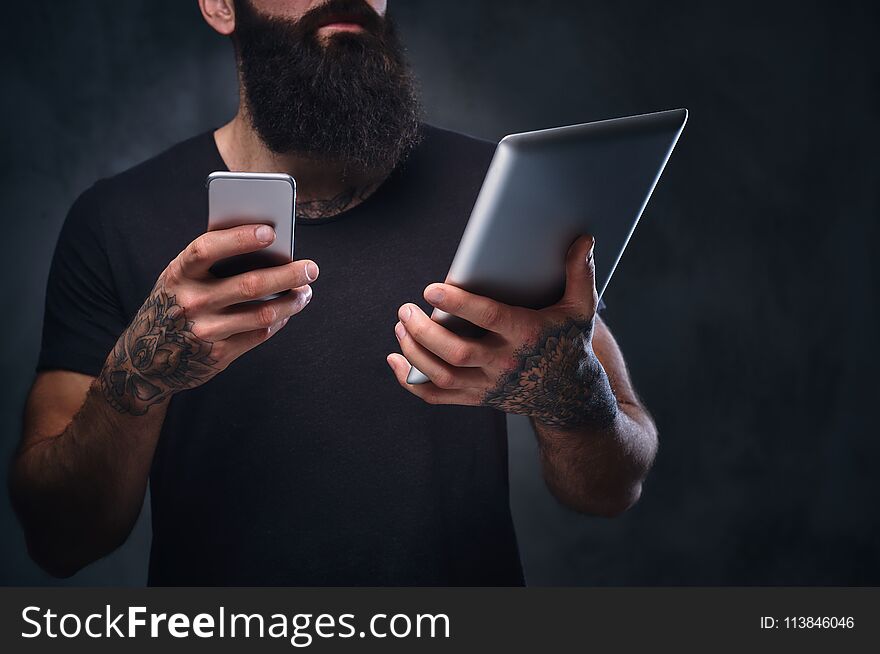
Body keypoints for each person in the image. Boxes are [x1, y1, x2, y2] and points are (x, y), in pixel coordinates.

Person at [10, 0, 657, 585]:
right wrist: (139, 375)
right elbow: (60, 538)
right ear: (218, 6)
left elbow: (614, 483)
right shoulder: (117, 221)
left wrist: (570, 392)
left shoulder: (500, 192)